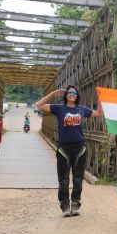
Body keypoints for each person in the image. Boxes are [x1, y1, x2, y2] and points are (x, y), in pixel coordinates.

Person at [36, 85, 103, 217]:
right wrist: (54, 92)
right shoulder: (59, 108)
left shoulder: (82, 109)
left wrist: (100, 98)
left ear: (77, 96)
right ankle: (65, 205)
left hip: (79, 148)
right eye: (69, 92)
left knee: (78, 179)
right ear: (66, 95)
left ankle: (76, 203)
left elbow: (99, 113)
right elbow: (39, 105)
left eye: (74, 93)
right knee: (64, 179)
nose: (72, 94)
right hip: (64, 148)